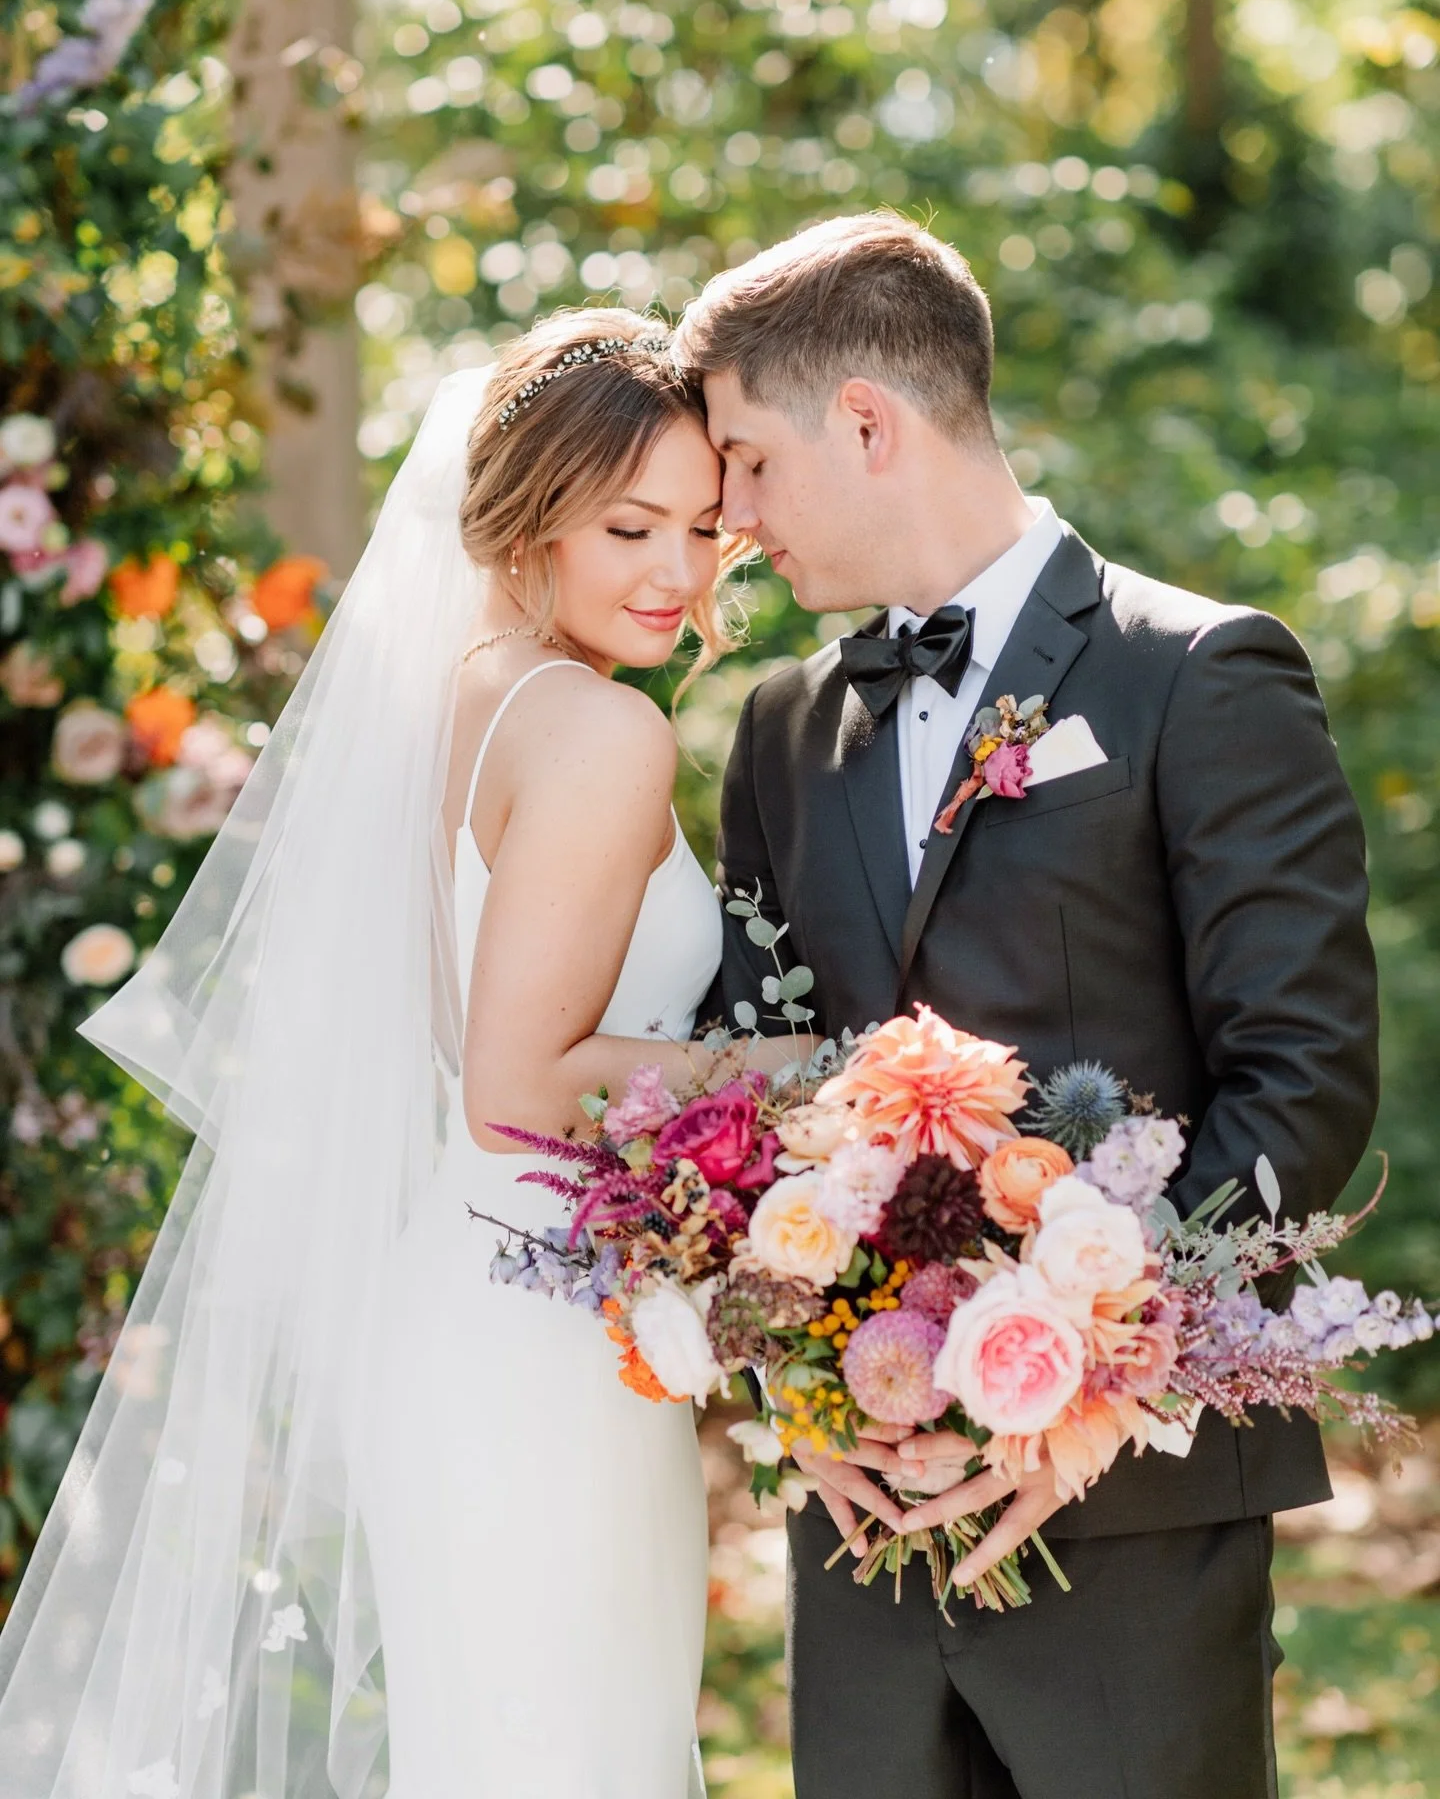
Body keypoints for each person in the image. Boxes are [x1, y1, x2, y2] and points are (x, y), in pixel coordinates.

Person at [0, 309, 792, 1799]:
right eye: (629, 526)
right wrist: (811, 1075)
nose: (678, 575)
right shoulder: (600, 734)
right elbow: (516, 1088)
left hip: (473, 1304)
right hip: (544, 1335)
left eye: (702, 528)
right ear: (530, 515)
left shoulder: (464, 701)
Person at [676, 213, 1379, 1799]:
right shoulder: (781, 729)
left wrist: (1068, 1377)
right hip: (864, 1518)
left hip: (1130, 1516)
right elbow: (755, 1091)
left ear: (867, 423)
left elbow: (1304, 1082)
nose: (725, 515)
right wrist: (816, 1389)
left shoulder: (1199, 674)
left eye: (746, 461)